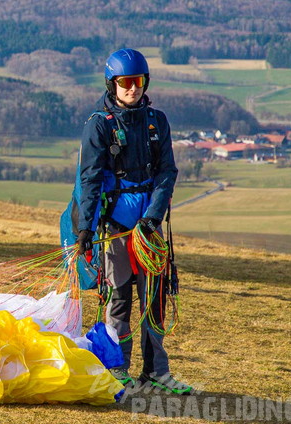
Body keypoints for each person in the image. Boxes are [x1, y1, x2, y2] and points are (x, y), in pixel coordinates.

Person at [71, 48, 192, 394]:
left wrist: (153, 217)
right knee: (119, 297)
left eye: (137, 82)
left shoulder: (157, 121)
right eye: (125, 83)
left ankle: (156, 372)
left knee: (154, 298)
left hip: (149, 229)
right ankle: (118, 368)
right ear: (112, 84)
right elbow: (90, 179)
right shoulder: (99, 125)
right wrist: (86, 230)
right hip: (116, 230)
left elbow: (167, 172)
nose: (132, 89)